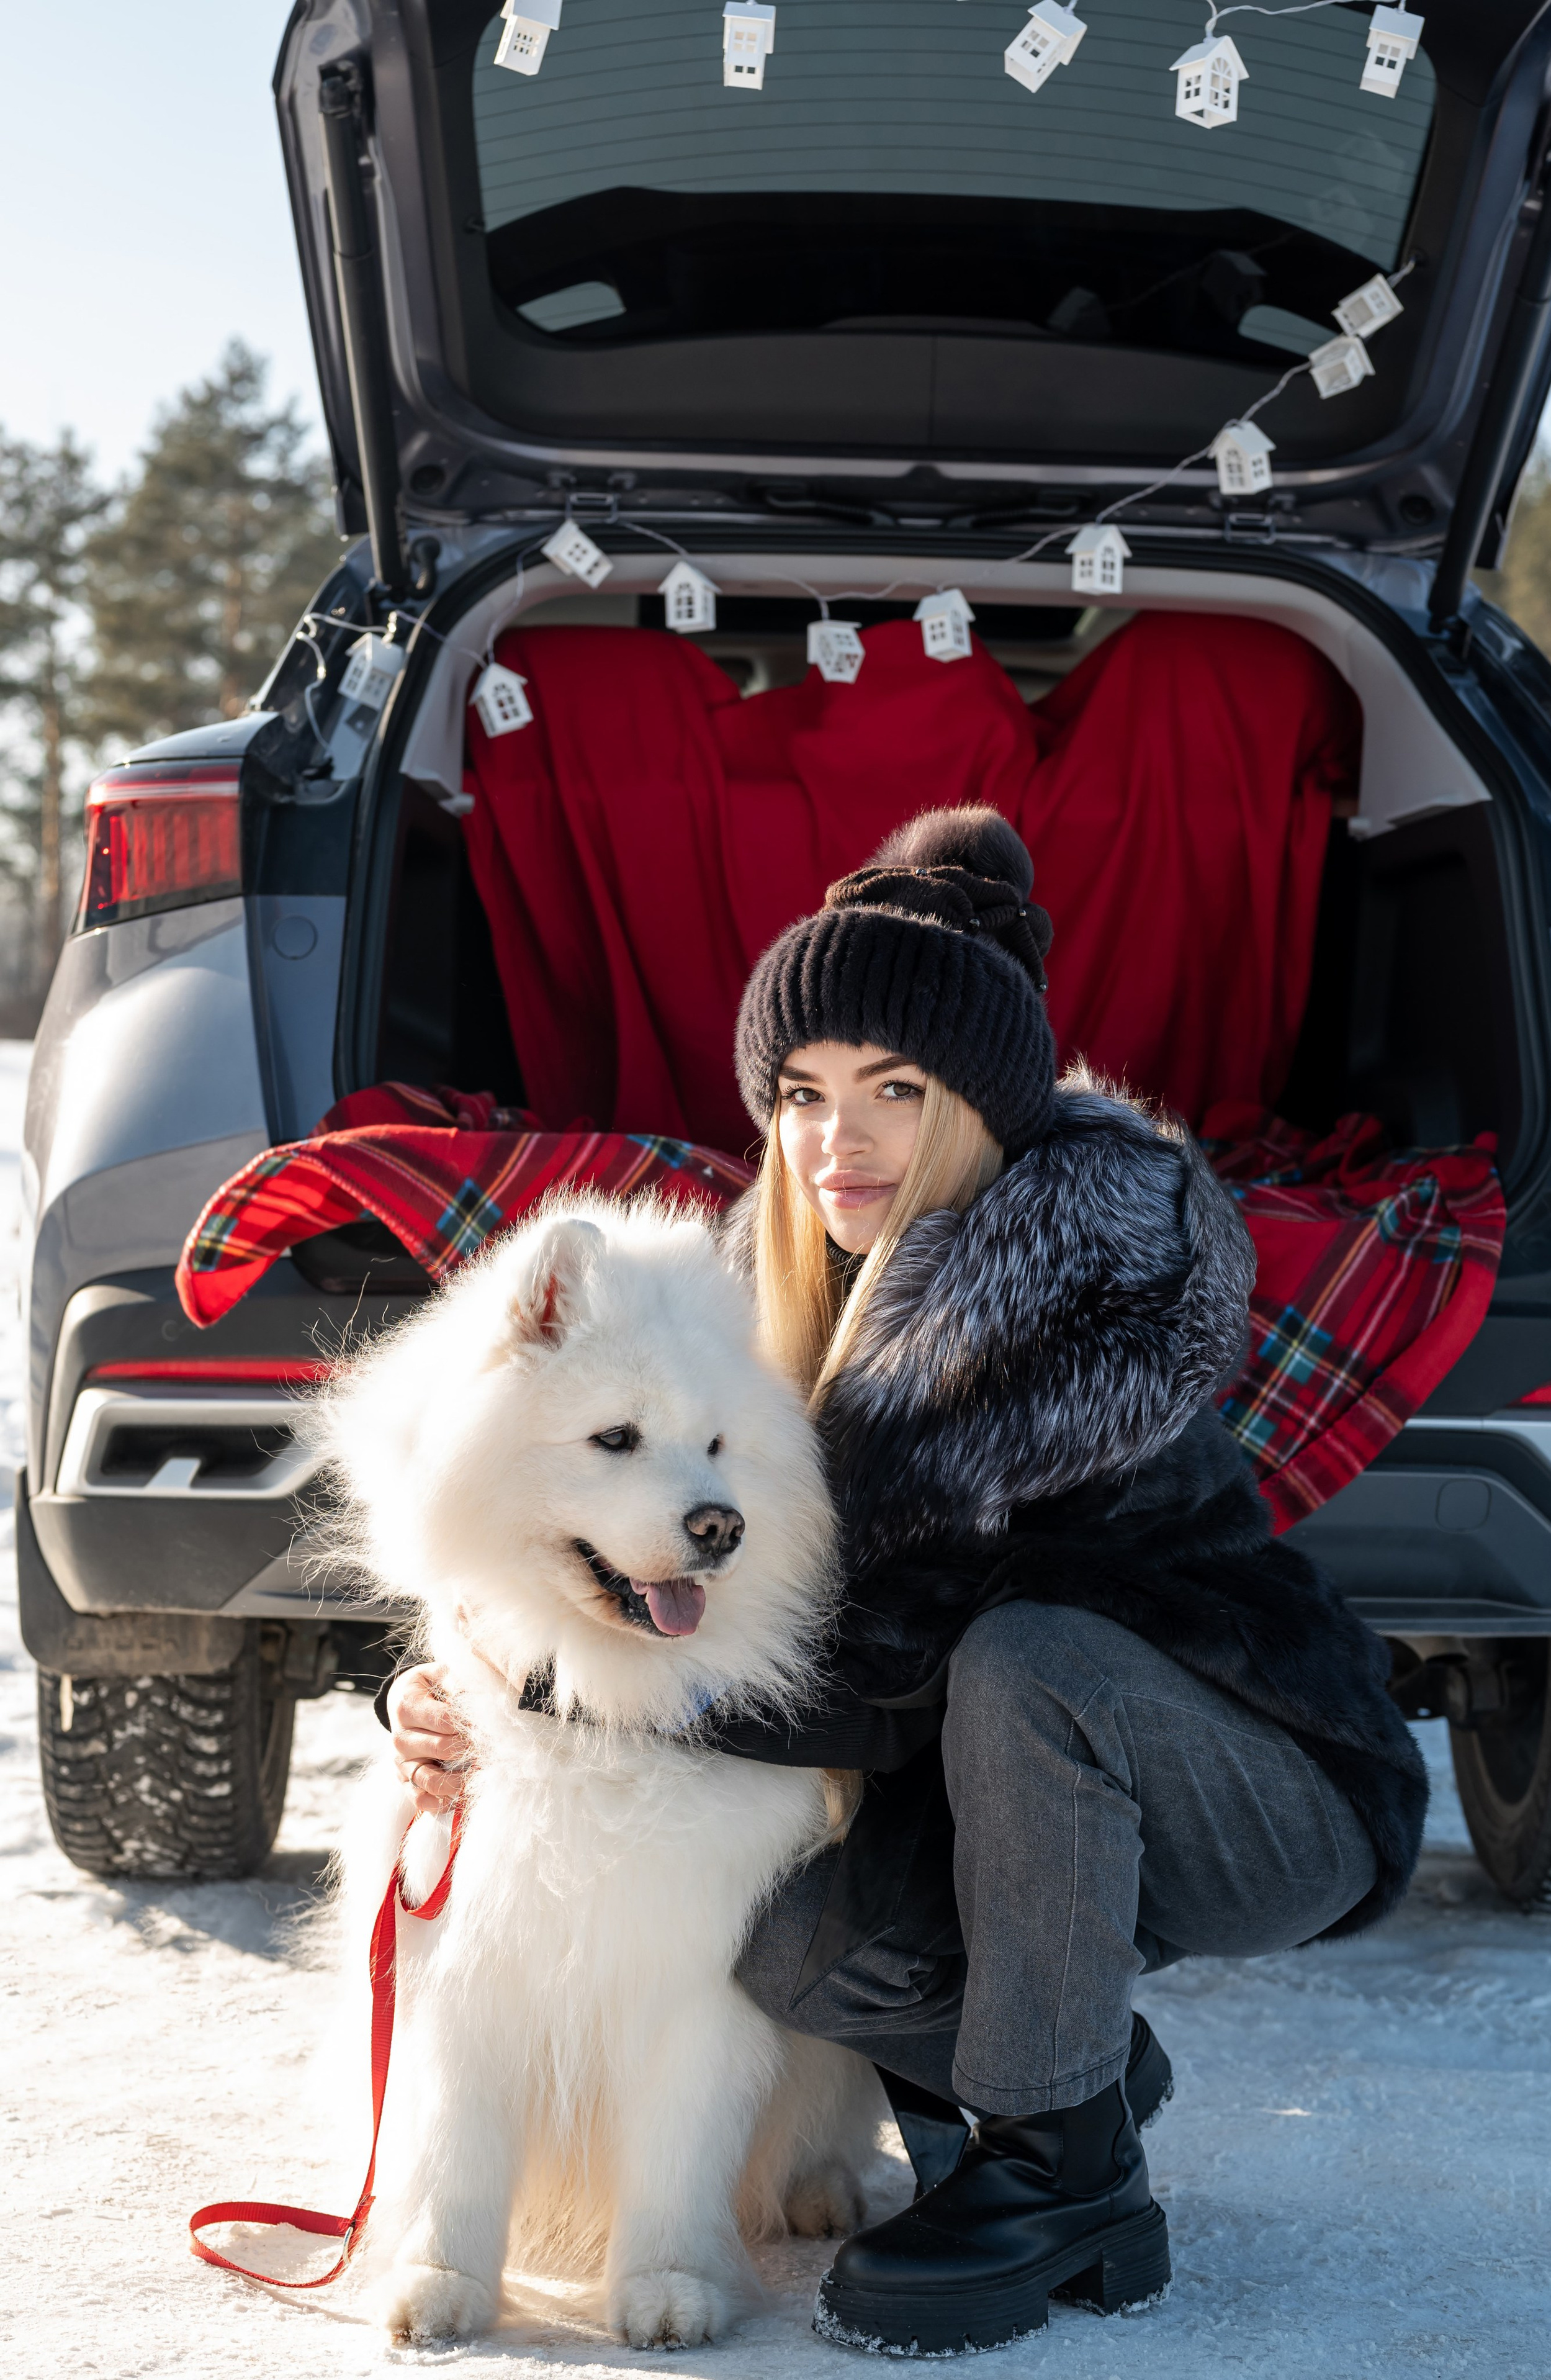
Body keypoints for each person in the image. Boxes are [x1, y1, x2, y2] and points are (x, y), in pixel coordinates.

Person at [384, 805, 1427, 2356]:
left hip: (1254, 1776)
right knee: (782, 1938)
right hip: (1011, 1793)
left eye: (894, 1090)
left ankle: (1057, 2167)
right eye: (800, 1094)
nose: (835, 1140)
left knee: (1027, 1662)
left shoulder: (1092, 1285)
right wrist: (469, 1666)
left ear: (978, 1108)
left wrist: (558, 1688)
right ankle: (1074, 2073)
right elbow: (605, 1515)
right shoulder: (768, 1296)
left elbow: (881, 1671)